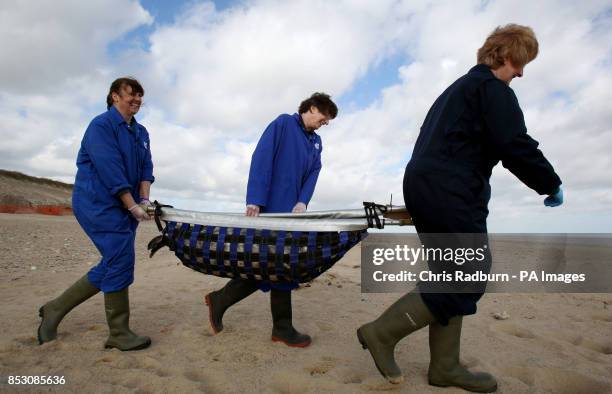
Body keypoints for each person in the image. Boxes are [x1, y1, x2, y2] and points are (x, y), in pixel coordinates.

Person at [357, 24, 563, 392]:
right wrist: (550, 183)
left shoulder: (455, 91)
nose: (522, 73)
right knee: (467, 276)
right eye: (522, 62)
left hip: (426, 183)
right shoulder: (491, 89)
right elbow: (513, 143)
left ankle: (445, 367)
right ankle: (382, 333)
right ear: (509, 55)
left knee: (449, 273)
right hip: (451, 188)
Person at [205, 93, 338, 347]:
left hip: (292, 214)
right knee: (276, 267)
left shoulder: (316, 142)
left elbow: (314, 172)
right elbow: (261, 157)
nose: (326, 123)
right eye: (324, 117)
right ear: (312, 108)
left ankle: (222, 300)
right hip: (270, 209)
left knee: (272, 267)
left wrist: (303, 201)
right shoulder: (283, 124)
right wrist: (255, 198)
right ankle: (281, 328)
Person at [38, 77, 155, 351]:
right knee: (121, 258)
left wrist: (145, 200)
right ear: (114, 96)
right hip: (97, 203)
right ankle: (119, 332)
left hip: (125, 206)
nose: (137, 99)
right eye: (131, 94)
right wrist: (132, 204)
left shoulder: (141, 132)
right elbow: (110, 170)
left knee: (115, 261)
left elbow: (147, 168)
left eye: (140, 95)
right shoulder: (101, 126)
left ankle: (54, 309)